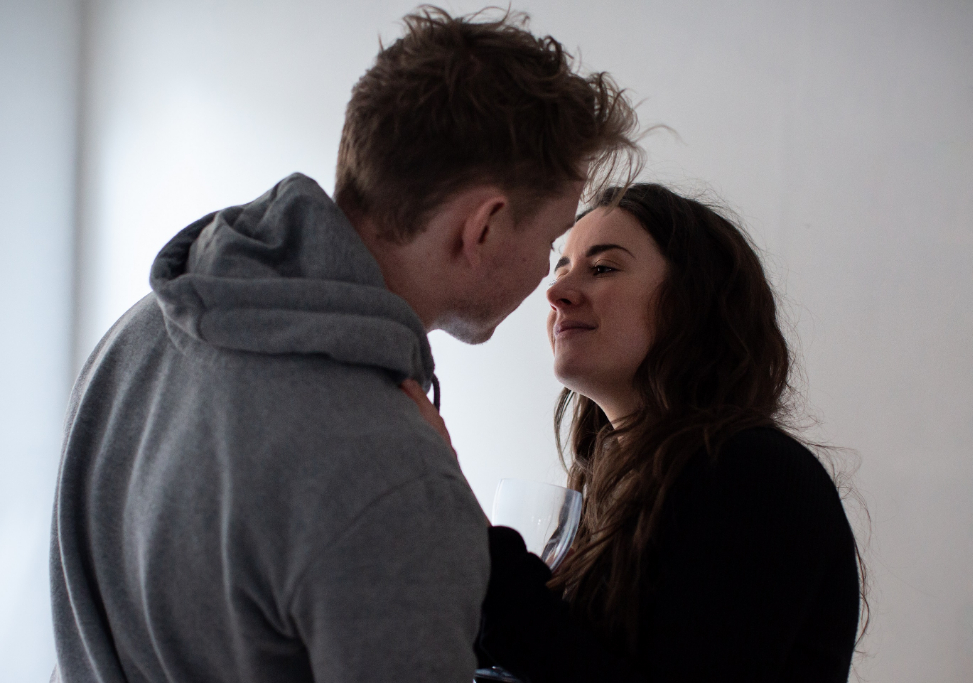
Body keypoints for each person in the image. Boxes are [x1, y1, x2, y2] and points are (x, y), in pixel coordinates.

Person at [49, 8, 639, 683]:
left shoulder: (136, 336)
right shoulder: (394, 476)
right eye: (550, 241)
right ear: (484, 227)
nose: (547, 275)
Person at [416, 183, 863, 682]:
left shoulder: (752, 471)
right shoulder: (623, 489)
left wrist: (460, 520)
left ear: (692, 302)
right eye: (561, 270)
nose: (556, 293)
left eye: (602, 268)